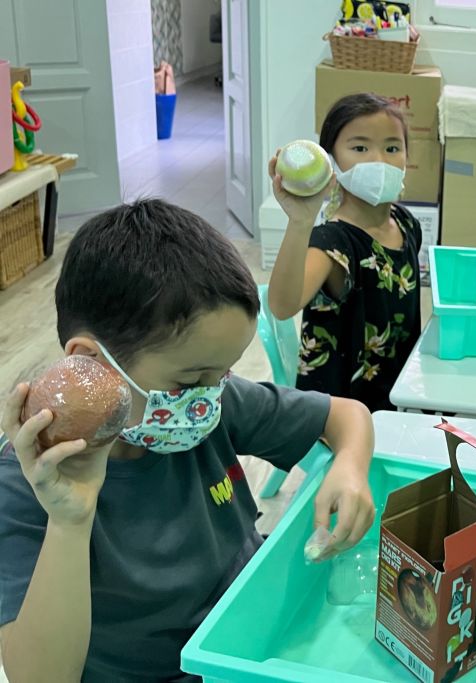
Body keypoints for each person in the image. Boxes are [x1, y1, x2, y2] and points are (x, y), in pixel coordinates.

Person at [0, 200, 376, 682]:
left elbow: (347, 415)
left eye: (222, 374)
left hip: (253, 630)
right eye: (192, 379)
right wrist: (69, 524)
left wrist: (349, 468)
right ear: (90, 362)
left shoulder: (209, 402)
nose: (210, 395)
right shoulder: (26, 485)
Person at [268, 93, 421, 412]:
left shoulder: (406, 224)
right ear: (330, 160)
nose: (379, 160)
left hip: (398, 394)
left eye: (392, 148)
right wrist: (301, 220)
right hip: (343, 411)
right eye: (360, 148)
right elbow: (282, 306)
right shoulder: (333, 242)